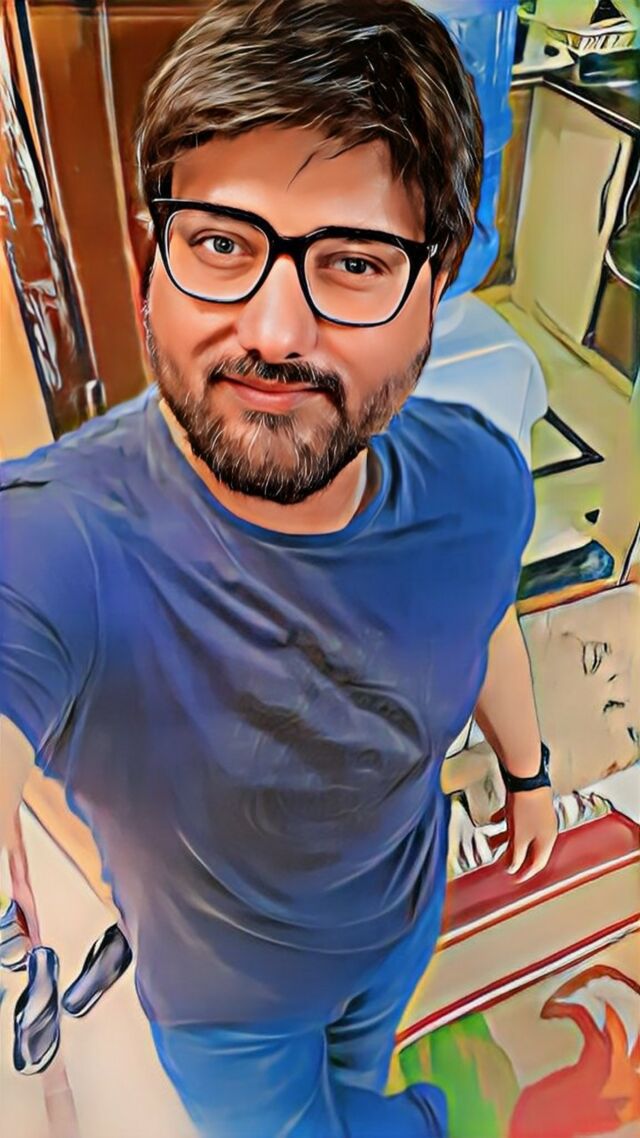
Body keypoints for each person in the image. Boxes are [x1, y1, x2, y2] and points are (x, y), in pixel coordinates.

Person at [0, 1, 559, 1134]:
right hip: (229, 1013)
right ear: (149, 260)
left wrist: (529, 769)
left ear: (437, 285)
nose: (274, 332)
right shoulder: (58, 546)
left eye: (352, 262)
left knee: (360, 1077)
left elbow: (480, 608)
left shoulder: (480, 478)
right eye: (221, 244)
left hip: (399, 919)